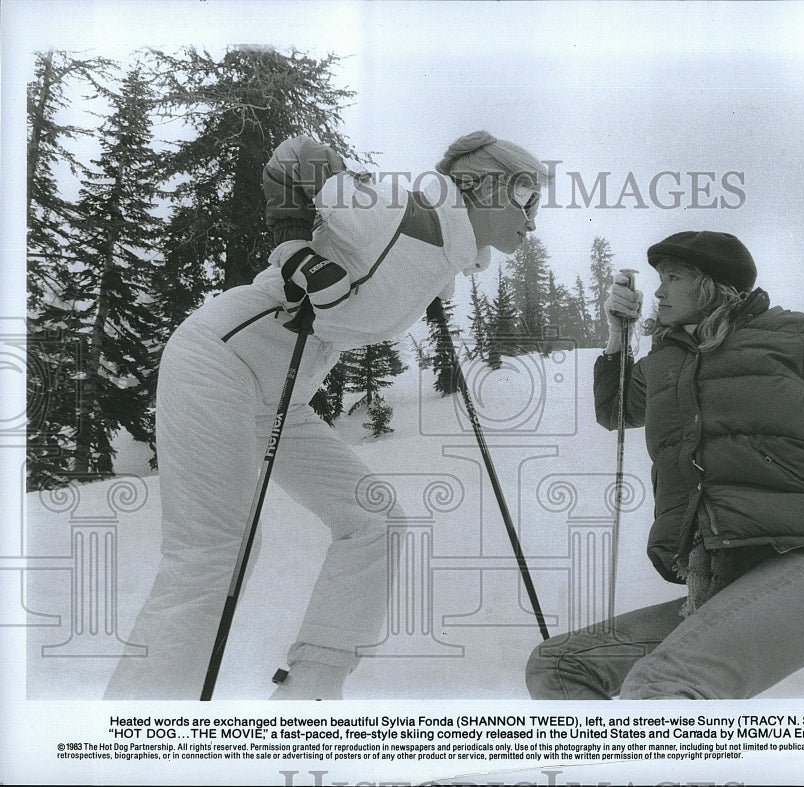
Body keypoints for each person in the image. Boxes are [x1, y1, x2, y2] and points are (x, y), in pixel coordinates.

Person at [103, 130, 547, 700]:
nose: (532, 217)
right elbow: (297, 155)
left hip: (276, 398)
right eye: (526, 194)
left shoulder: (442, 252)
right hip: (220, 358)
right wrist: (295, 253)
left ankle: (309, 692)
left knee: (374, 519)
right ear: (480, 186)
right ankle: (135, 732)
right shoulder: (397, 212)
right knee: (215, 551)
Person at [524, 230, 804, 699]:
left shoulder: (787, 336)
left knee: (662, 686)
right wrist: (618, 334)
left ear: (713, 285)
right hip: (722, 583)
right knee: (558, 665)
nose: (659, 291)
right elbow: (616, 409)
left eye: (673, 277)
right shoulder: (667, 360)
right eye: (659, 278)